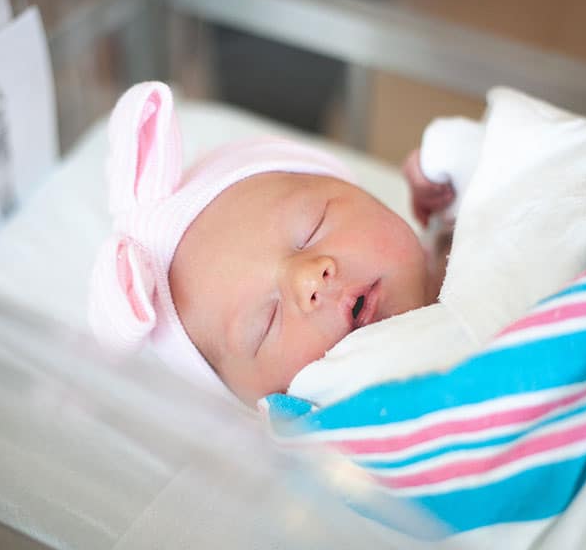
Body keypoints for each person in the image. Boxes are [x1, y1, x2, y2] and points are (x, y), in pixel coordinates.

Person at [88, 82, 456, 406]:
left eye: (313, 227)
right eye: (266, 323)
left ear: (355, 191)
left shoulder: (480, 222)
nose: (307, 279)